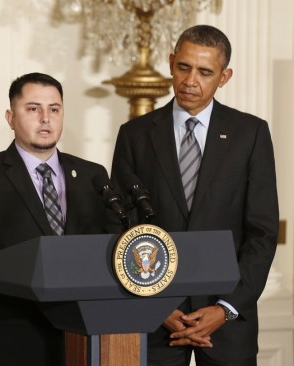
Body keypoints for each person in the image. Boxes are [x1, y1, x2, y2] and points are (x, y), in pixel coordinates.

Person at [110, 25, 279, 366]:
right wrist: (155, 304)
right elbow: (121, 228)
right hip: (153, 321)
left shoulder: (251, 134)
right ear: (171, 62)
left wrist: (226, 308)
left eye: (205, 72)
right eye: (184, 67)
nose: (190, 81)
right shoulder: (134, 135)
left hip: (228, 324)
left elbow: (262, 232)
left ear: (224, 76)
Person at [0, 72, 114, 366]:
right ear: (10, 117)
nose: (45, 118)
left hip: (81, 339)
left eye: (54, 109)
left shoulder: (92, 176)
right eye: (33, 109)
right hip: (9, 343)